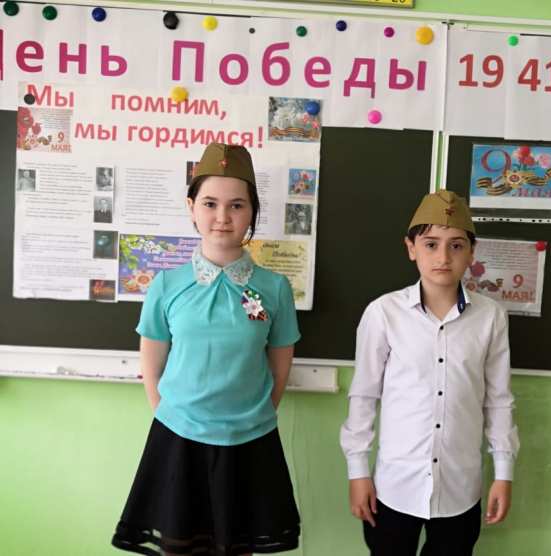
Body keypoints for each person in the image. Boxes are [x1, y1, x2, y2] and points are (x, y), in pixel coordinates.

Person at [112, 143, 302, 555]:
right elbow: (152, 362)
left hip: (250, 440)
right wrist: (171, 415)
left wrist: (255, 414)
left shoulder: (275, 288)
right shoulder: (166, 285)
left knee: (238, 546)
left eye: (237, 205)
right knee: (180, 546)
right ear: (192, 207)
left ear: (252, 211)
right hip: (178, 439)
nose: (222, 217)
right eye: (210, 203)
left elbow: (280, 366)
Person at [340, 190, 520, 556]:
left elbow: (498, 400)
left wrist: (504, 472)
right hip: (395, 486)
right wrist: (357, 471)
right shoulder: (383, 313)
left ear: (472, 252)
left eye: (456, 246)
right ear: (411, 248)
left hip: (460, 488)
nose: (443, 257)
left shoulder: (491, 317)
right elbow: (364, 395)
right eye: (431, 244)